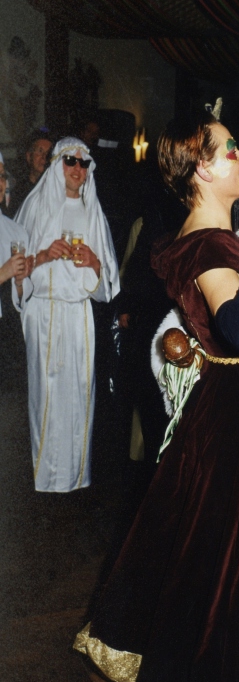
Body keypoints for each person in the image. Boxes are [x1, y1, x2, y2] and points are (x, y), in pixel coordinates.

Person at [74, 111, 239, 682]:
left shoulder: (211, 236)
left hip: (233, 405)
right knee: (228, 559)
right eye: (231, 150)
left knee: (212, 553)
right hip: (237, 411)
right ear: (200, 168)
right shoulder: (210, 245)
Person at [14, 136, 119, 493]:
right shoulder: (35, 206)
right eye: (69, 161)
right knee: (46, 394)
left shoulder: (93, 212)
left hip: (78, 316)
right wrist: (43, 256)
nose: (77, 169)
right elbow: (14, 270)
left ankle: (75, 477)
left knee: (78, 393)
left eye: (83, 163)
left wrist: (94, 262)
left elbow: (108, 284)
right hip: (43, 312)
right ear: (57, 165)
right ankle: (44, 479)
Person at [0, 151, 29, 310]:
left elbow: (20, 298)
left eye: (2, 176)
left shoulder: (17, 232)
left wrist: (19, 281)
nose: (0, 182)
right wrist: (3, 274)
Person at [7, 129, 55, 217]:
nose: (44, 157)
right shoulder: (17, 191)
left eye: (48, 154)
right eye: (40, 151)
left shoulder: (55, 190)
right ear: (29, 156)